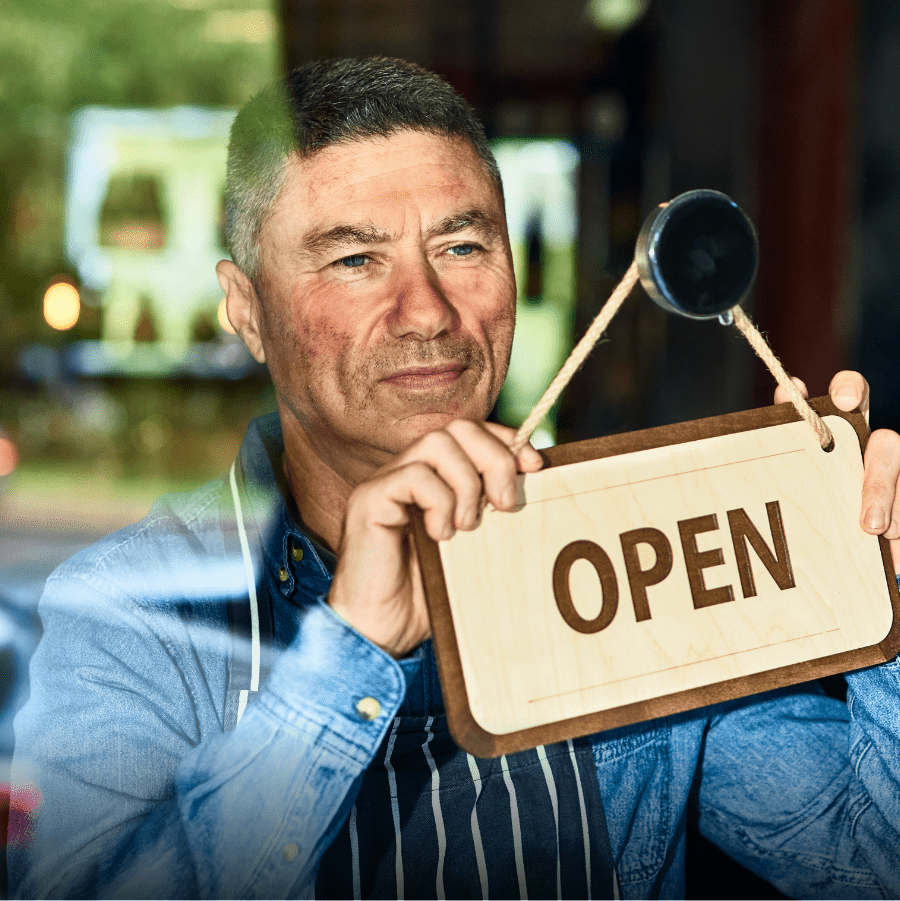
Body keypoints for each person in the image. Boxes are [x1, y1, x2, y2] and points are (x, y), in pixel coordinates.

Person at [8, 56, 900, 900]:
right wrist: (348, 649)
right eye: (356, 259)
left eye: (464, 247)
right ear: (247, 309)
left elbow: (866, 854)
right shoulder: (131, 610)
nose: (428, 310)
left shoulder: (632, 556)